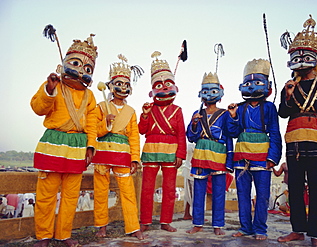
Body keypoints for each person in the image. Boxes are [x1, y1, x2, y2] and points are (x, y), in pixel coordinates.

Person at [277, 15, 317, 247]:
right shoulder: (289, 85)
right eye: (295, 56)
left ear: (314, 58)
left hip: (316, 140)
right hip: (293, 141)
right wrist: (288, 95)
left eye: (304, 56)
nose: (299, 60)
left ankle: (316, 236)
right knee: (294, 186)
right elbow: (283, 113)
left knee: (316, 188)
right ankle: (297, 230)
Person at [30, 32, 98, 247]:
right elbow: (38, 108)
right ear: (64, 63)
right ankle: (43, 235)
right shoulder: (54, 85)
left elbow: (92, 123)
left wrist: (91, 146)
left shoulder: (90, 96)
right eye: (76, 64)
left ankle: (63, 234)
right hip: (54, 143)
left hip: (77, 146)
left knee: (71, 196)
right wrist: (48, 91)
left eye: (87, 68)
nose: (81, 71)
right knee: (46, 194)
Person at [226, 59, 282, 240]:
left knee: (263, 195)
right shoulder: (239, 108)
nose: (251, 87)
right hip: (241, 156)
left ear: (268, 86)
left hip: (261, 157)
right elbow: (233, 133)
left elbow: (274, 133)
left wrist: (273, 158)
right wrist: (233, 117)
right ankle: (245, 227)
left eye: (257, 83)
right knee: (243, 195)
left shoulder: (269, 107)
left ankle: (260, 228)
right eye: (247, 83)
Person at [91, 54, 144, 240]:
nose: (123, 87)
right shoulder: (101, 106)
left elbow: (134, 137)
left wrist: (135, 158)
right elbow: (93, 131)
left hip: (122, 155)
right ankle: (101, 226)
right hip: (103, 153)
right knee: (100, 192)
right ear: (110, 86)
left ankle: (133, 227)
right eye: (119, 84)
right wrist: (105, 123)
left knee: (128, 193)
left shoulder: (131, 112)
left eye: (126, 84)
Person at [139, 51, 186, 232]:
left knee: (169, 189)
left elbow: (181, 134)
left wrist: (180, 154)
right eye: (160, 85)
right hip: (151, 149)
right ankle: (145, 221)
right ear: (152, 90)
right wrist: (144, 115)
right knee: (147, 188)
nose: (165, 88)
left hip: (170, 151)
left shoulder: (178, 110)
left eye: (168, 84)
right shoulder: (149, 109)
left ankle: (166, 221)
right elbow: (141, 130)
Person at [186, 72, 233, 235]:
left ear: (219, 93)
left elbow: (229, 135)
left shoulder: (225, 114)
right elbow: (191, 137)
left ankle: (218, 225)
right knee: (199, 190)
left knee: (219, 191)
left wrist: (230, 159)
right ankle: (197, 223)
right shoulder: (197, 113)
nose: (209, 94)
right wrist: (194, 123)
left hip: (218, 153)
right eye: (206, 91)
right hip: (200, 154)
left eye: (213, 91)